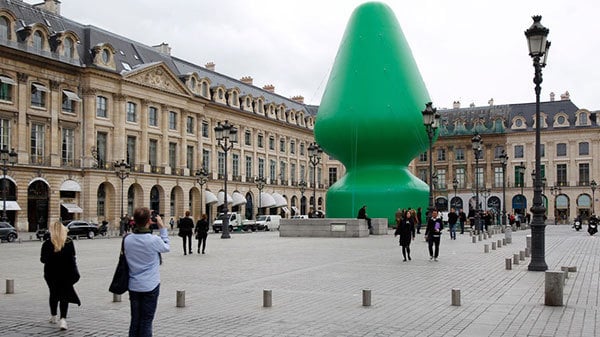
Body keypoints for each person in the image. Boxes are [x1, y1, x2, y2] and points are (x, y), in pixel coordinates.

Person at [125, 207, 170, 337]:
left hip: (133, 285)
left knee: (135, 320)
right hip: (150, 285)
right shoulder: (153, 240)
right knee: (146, 321)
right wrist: (162, 227)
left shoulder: (127, 239)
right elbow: (166, 246)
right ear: (149, 221)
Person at [40, 221, 81, 331]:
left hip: (51, 274)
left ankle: (53, 316)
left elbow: (42, 260)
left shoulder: (47, 243)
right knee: (64, 295)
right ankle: (63, 319)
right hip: (66, 273)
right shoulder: (69, 242)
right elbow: (73, 257)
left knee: (53, 293)